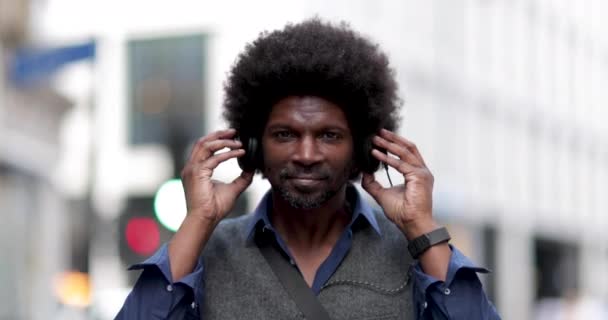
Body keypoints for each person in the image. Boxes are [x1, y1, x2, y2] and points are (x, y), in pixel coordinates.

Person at [116, 18, 500, 319]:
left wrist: (421, 226)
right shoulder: (208, 251)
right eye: (284, 134)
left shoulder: (410, 252)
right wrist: (198, 220)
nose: (306, 154)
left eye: (329, 135)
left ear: (364, 148)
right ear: (252, 146)